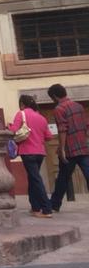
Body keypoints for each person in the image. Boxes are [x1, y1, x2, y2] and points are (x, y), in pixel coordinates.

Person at [7, 94, 52, 217]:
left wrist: (8, 126)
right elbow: (49, 136)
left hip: (27, 152)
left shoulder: (21, 114)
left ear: (22, 104)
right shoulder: (41, 117)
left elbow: (14, 130)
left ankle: (47, 208)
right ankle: (35, 207)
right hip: (40, 152)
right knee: (33, 179)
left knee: (36, 179)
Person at [47, 83, 89, 213]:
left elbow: (62, 129)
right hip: (83, 146)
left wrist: (62, 148)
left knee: (63, 178)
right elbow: (86, 126)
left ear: (54, 96)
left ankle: (54, 205)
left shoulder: (59, 109)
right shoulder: (79, 106)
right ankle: (54, 204)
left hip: (70, 150)